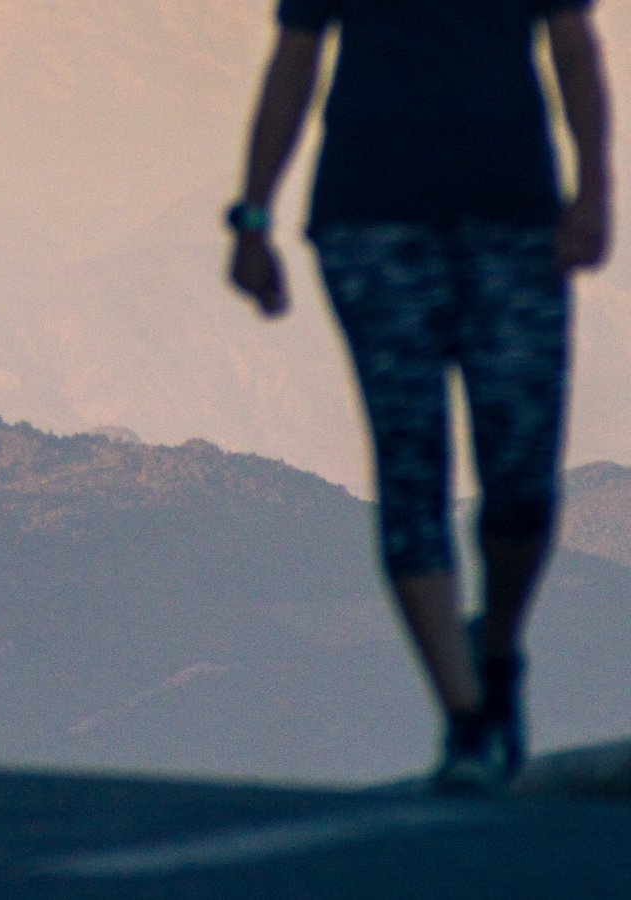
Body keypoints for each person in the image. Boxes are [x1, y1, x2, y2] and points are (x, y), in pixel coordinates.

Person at [227, 0, 611, 791]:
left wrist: (594, 193)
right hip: (371, 221)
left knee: (522, 474)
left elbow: (575, 48)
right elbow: (294, 57)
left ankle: (497, 647)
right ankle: (466, 717)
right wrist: (253, 216)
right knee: (411, 463)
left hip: (514, 221)